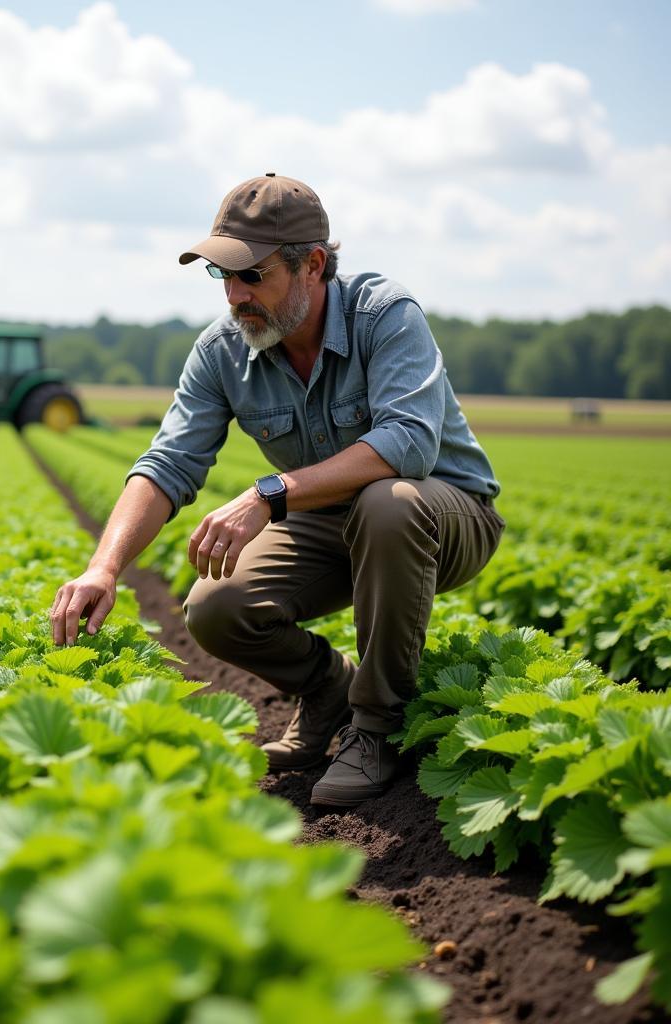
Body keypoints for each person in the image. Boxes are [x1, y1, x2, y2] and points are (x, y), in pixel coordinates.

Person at [50, 172, 504, 807]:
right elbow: (168, 462)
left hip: (442, 518)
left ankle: (377, 725)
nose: (235, 295)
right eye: (222, 277)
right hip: (335, 524)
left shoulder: (385, 317)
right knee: (216, 607)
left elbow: (408, 444)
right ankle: (327, 691)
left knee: (387, 501)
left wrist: (269, 493)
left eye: (251, 275)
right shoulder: (221, 352)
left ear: (312, 265)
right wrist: (104, 568)